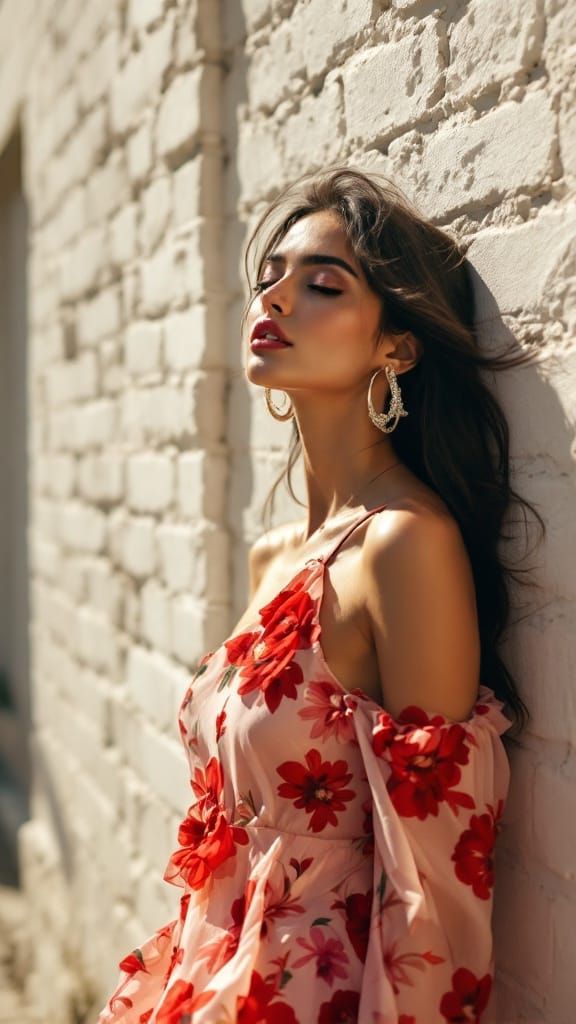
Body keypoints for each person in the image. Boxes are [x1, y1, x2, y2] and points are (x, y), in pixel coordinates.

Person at [97, 167, 545, 1023]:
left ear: (397, 347)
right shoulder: (277, 555)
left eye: (322, 285)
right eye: (269, 279)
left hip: (316, 996)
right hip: (211, 975)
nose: (274, 300)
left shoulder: (403, 545)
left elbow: (436, 876)